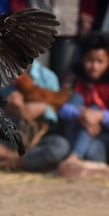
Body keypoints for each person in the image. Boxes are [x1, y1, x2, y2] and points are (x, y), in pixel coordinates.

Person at [0, 60, 70, 172]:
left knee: (60, 146)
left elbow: (57, 116)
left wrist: (43, 109)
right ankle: (17, 160)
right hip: (3, 140)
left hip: (35, 141)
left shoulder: (48, 77)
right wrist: (7, 108)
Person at [58, 32, 109, 178]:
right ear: (82, 59)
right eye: (89, 60)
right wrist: (81, 115)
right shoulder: (73, 78)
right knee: (76, 99)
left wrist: (100, 116)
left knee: (95, 151)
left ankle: (74, 158)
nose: (94, 67)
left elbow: (100, 115)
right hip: (74, 131)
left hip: (102, 136)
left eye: (100, 62)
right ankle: (78, 159)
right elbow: (58, 107)